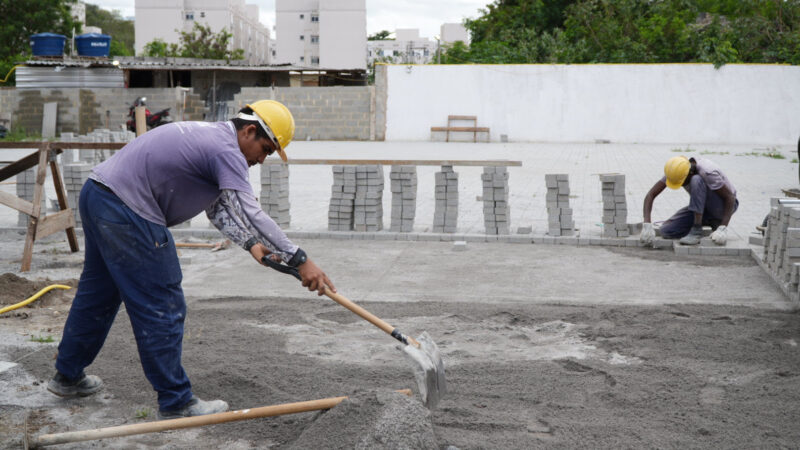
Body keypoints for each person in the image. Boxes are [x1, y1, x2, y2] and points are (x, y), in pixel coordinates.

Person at [46, 100, 335, 420]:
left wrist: (252, 245)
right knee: (162, 301)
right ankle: (176, 402)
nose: (262, 160)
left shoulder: (214, 140)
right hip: (129, 211)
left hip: (99, 194)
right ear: (250, 131)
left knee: (99, 293)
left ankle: (67, 376)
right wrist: (301, 259)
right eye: (265, 149)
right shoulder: (227, 151)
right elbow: (252, 211)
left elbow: (219, 207)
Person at [640, 156, 738, 246]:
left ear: (690, 173)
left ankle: (697, 229)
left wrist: (723, 227)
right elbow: (650, 195)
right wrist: (647, 223)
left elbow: (730, 198)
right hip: (702, 208)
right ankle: (711, 222)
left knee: (696, 180)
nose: (681, 185)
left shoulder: (708, 171)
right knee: (666, 230)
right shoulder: (676, 171)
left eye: (682, 183)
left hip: (722, 207)